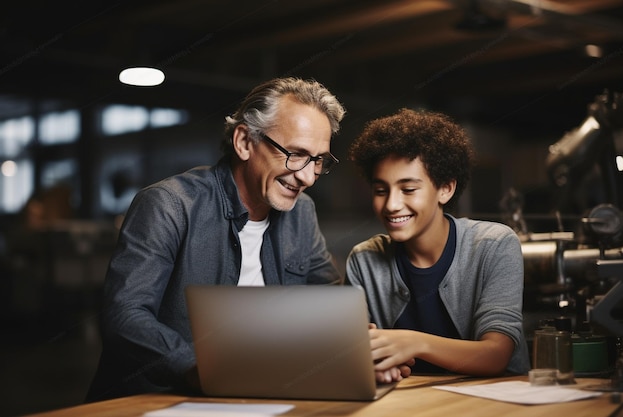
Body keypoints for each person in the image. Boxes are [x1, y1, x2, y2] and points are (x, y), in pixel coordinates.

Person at [86, 77, 346, 401]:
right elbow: (123, 317)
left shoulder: (302, 213)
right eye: (295, 154)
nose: (308, 176)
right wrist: (203, 371)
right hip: (159, 401)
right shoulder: (169, 204)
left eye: (318, 160)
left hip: (260, 397)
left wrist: (358, 346)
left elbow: (329, 306)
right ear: (244, 142)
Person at [346, 108, 529, 383]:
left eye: (408, 189)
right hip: (411, 405)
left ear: (446, 188)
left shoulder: (494, 244)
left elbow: (497, 354)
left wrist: (414, 343)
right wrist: (375, 364)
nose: (391, 205)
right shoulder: (364, 261)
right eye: (381, 190)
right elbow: (352, 354)